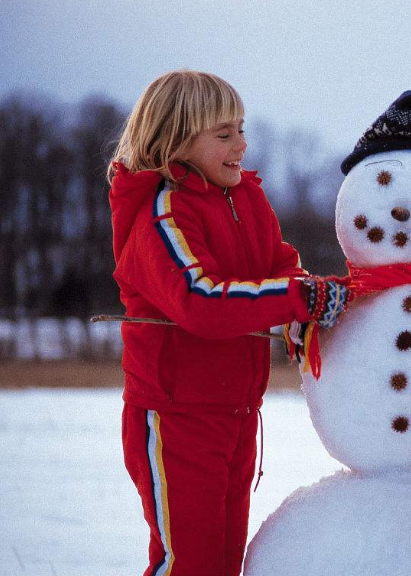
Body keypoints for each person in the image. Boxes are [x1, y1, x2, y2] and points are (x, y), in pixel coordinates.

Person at [108, 69, 350, 576]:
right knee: (189, 564)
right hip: (177, 419)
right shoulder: (162, 215)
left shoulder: (246, 198)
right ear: (175, 139)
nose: (241, 145)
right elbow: (203, 302)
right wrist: (296, 298)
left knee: (222, 564)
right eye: (224, 135)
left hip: (237, 414)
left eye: (242, 129)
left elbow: (279, 262)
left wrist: (302, 303)